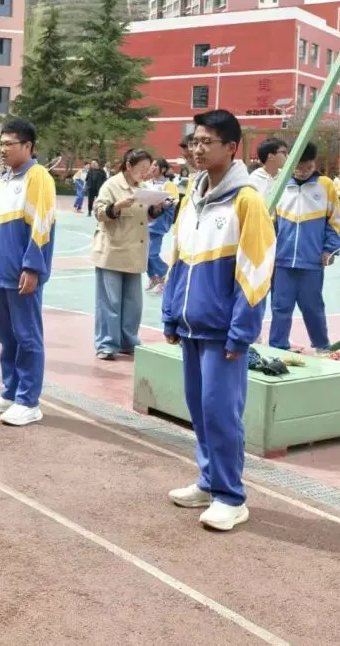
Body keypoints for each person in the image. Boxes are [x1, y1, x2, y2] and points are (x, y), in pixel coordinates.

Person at [162, 110, 275, 532]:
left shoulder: (246, 201)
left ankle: (231, 496)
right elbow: (178, 258)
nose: (197, 148)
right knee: (200, 409)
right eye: (194, 141)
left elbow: (256, 270)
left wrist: (241, 331)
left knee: (221, 412)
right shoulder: (192, 196)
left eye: (206, 141)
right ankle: (209, 481)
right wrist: (171, 314)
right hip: (191, 326)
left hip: (222, 331)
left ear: (232, 148)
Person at [0, 119, 56, 427]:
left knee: (27, 337)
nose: (3, 149)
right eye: (1, 144)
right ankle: (10, 391)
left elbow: (42, 225)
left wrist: (33, 267)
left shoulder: (38, 177)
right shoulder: (6, 179)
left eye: (9, 144)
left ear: (28, 146)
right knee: (6, 336)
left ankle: (28, 400)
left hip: (21, 274)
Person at [92, 149, 171, 360]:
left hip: (135, 252)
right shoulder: (112, 185)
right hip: (113, 251)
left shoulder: (143, 188)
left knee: (133, 303)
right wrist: (116, 206)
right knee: (110, 302)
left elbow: (145, 216)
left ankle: (129, 341)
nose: (145, 173)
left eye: (148, 169)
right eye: (142, 168)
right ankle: (107, 344)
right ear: (129, 165)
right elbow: (98, 212)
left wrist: (158, 208)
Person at [269, 142, 340, 352]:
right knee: (280, 307)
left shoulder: (325, 185)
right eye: (298, 167)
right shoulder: (280, 184)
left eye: (308, 167)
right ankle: (277, 347)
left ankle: (322, 347)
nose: (303, 171)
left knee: (313, 308)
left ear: (315, 163)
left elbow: (337, 221)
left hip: (312, 261)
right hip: (282, 261)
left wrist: (329, 249)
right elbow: (269, 223)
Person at [145, 159, 179, 293]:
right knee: (143, 254)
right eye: (151, 165)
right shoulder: (146, 184)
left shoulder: (169, 185)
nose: (152, 167)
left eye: (155, 165)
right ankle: (153, 277)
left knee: (152, 254)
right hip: (144, 220)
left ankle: (165, 276)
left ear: (163, 169)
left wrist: (165, 203)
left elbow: (174, 200)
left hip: (158, 222)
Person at [247, 138, 289, 205]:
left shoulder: (286, 177)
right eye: (284, 153)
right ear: (271, 156)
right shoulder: (253, 180)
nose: (288, 156)